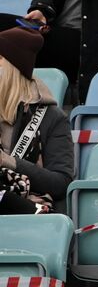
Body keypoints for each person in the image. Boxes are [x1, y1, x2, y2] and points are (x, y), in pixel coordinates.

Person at [0, 27, 72, 212]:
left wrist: (7, 161)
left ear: (12, 68)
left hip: (30, 209)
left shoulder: (52, 117)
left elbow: (60, 183)